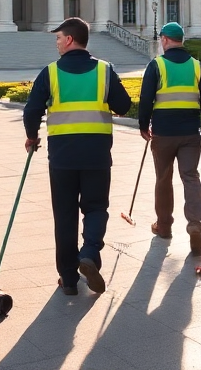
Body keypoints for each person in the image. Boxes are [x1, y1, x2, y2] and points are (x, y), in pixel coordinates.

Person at [23, 17, 132, 296]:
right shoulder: (105, 71)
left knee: (65, 215)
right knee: (96, 208)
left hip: (62, 157)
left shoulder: (50, 73)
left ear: (70, 39)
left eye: (58, 38)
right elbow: (123, 105)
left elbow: (31, 110)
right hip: (96, 154)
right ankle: (90, 254)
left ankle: (69, 279)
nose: (57, 43)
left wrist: (32, 136)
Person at [138, 22, 201, 256]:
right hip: (190, 133)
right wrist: (191, 111)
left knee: (164, 178)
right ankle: (194, 225)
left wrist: (143, 125)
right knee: (191, 176)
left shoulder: (157, 65)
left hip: (163, 133)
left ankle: (164, 226)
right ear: (181, 40)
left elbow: (145, 99)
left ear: (164, 40)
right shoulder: (196, 66)